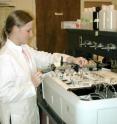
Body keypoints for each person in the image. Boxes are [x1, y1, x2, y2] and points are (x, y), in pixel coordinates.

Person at [0, 10, 87, 124]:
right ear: (16, 29)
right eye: (28, 30)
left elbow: (47, 57)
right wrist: (31, 85)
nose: (32, 34)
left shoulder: (24, 48)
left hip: (29, 110)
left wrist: (70, 59)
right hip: (16, 117)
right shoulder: (5, 57)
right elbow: (3, 94)